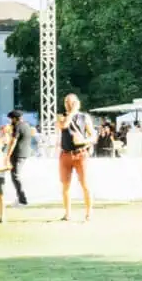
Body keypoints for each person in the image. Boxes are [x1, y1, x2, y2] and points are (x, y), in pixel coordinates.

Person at [58, 93, 93, 221]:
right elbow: (64, 125)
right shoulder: (62, 117)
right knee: (65, 185)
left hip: (81, 154)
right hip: (65, 154)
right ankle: (67, 213)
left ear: (77, 103)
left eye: (71, 102)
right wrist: (72, 112)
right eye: (66, 102)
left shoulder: (85, 117)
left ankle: (89, 212)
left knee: (85, 184)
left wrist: (84, 141)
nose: (68, 104)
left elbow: (93, 136)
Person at [6, 109, 32, 206]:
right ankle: (20, 198)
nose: (10, 121)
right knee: (15, 176)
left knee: (15, 176)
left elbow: (13, 142)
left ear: (14, 119)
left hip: (17, 154)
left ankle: (23, 200)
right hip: (24, 153)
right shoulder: (26, 125)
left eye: (11, 119)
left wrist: (8, 155)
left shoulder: (18, 126)